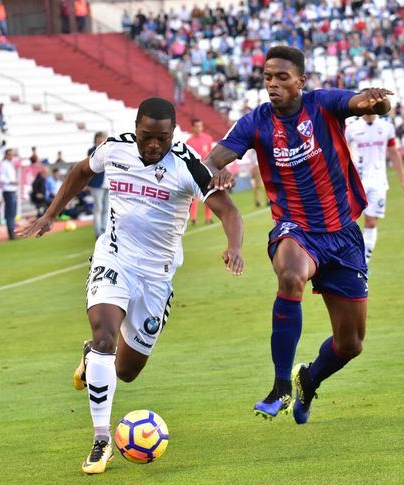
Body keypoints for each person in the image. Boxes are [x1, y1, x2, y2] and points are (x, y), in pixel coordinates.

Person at [17, 97, 244, 475]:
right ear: (135, 128)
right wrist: (50, 214)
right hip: (114, 258)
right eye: (146, 136)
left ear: (173, 133)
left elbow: (229, 211)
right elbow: (81, 171)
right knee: (105, 335)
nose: (153, 145)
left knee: (126, 370)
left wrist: (234, 246)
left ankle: (92, 356)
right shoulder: (115, 148)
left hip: (157, 277)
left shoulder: (188, 165)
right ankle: (101, 440)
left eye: (162, 138)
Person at [204, 45, 394, 425]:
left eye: (282, 77)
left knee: (350, 343)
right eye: (267, 77)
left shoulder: (323, 104)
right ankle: (280, 386)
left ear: (300, 81)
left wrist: (377, 102)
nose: (272, 84)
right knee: (291, 275)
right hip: (296, 228)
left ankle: (309, 379)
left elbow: (368, 104)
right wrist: (217, 172)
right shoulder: (255, 123)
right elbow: (210, 161)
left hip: (342, 233)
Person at [345, 113, 404, 265]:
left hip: (378, 182)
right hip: (355, 182)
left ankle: (362, 263)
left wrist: (403, 181)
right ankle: (345, 260)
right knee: (347, 222)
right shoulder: (351, 128)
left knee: (371, 223)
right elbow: (341, 152)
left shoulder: (386, 127)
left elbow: (394, 153)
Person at [185, 119, 214, 225]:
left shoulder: (208, 138)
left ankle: (208, 217)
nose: (199, 128)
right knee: (194, 197)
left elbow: (211, 154)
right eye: (197, 126)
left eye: (200, 126)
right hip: (195, 172)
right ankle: (193, 218)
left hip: (207, 171)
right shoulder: (189, 142)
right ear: (192, 128)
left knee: (209, 194)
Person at [87, 131, 109, 238]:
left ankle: (104, 230)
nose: (102, 139)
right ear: (96, 139)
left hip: (107, 183)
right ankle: (98, 232)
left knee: (106, 208)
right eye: (100, 137)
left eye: (103, 137)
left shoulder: (109, 149)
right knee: (98, 208)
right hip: (96, 184)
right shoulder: (92, 150)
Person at [0, 149, 18, 240]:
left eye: (12, 154)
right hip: (8, 190)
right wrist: (11, 182)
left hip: (12, 190)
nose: (11, 156)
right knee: (10, 213)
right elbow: (1, 178)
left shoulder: (10, 164)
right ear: (6, 155)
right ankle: (11, 233)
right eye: (10, 154)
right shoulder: (4, 164)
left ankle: (13, 232)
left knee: (13, 212)